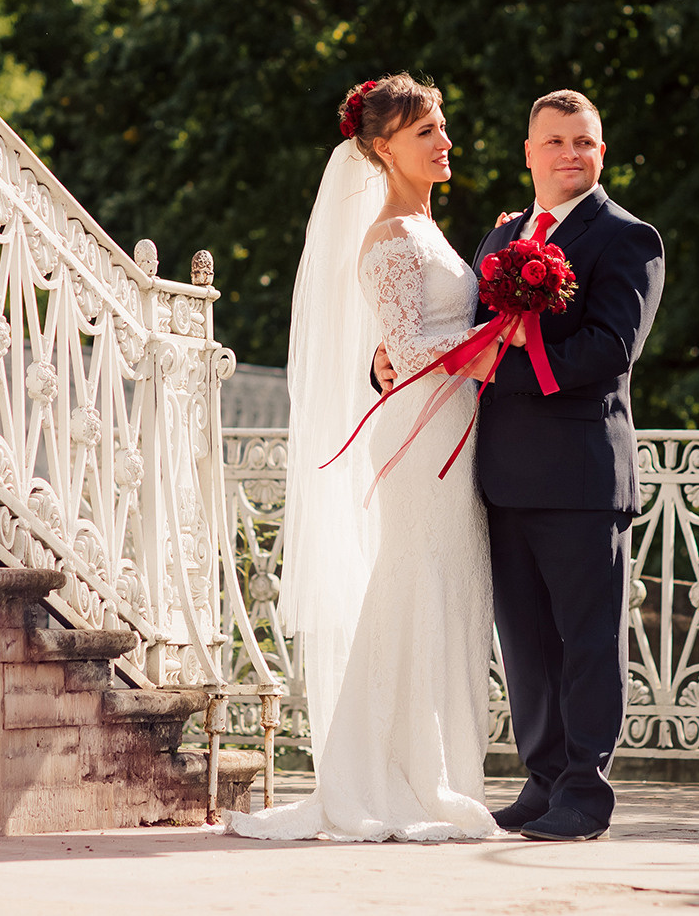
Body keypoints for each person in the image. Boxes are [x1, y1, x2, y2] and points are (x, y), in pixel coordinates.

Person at [376, 90, 665, 842]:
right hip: (499, 474)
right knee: (527, 642)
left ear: (601, 152)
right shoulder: (501, 237)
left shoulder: (629, 238)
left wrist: (489, 370)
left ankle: (584, 791)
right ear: (529, 152)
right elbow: (451, 333)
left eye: (586, 142)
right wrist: (384, 366)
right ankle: (541, 780)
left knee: (586, 637)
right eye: (557, 141)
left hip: (580, 477)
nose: (572, 153)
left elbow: (608, 349)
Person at [226, 74, 507, 842]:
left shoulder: (428, 229)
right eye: (426, 132)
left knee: (440, 589)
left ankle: (430, 765)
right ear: (383, 148)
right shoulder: (388, 237)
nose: (445, 141)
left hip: (449, 424)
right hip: (421, 434)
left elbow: (415, 334)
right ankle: (382, 774)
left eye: (444, 126)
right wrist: (500, 336)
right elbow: (412, 347)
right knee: (413, 587)